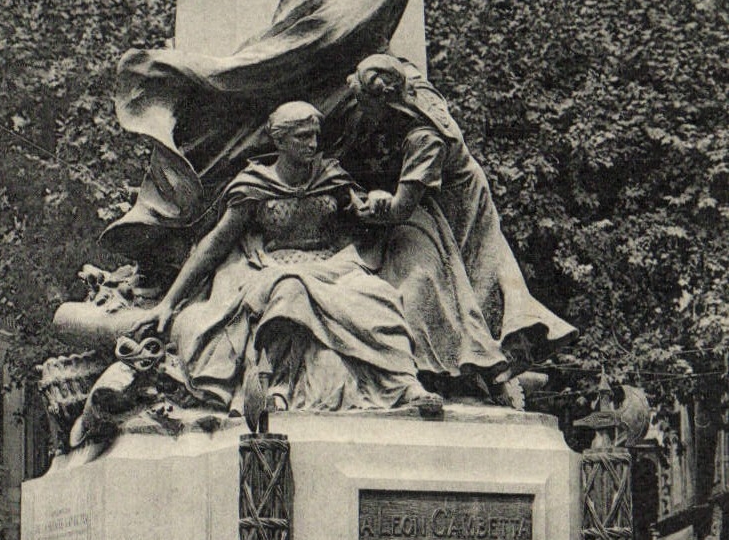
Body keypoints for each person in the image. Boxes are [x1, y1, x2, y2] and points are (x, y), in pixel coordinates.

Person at [140, 102, 443, 416]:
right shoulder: (254, 185)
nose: (312, 144)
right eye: (301, 137)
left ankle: (406, 383)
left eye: (314, 135)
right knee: (290, 289)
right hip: (274, 267)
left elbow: (363, 210)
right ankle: (278, 386)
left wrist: (379, 202)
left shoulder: (330, 174)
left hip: (332, 265)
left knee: (379, 295)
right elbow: (215, 244)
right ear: (280, 141)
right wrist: (169, 302)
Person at [349, 55, 576, 372]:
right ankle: (504, 343)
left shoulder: (423, 140)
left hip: (457, 199)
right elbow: (403, 63)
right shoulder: (414, 84)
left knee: (469, 272)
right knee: (483, 263)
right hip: (461, 184)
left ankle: (492, 354)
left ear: (384, 100)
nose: (361, 111)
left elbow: (400, 208)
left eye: (364, 104)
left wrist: (368, 208)